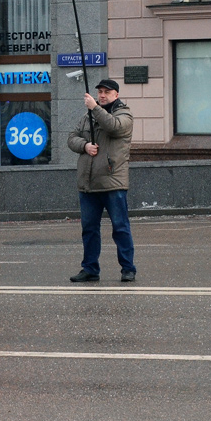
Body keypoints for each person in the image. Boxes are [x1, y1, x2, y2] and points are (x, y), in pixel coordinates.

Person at [66, 78, 137, 283]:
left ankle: (128, 268)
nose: (102, 95)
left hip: (113, 182)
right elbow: (71, 137)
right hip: (88, 183)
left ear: (116, 94)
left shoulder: (124, 114)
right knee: (89, 229)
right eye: (100, 92)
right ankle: (90, 268)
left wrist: (95, 108)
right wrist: (85, 145)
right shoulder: (88, 116)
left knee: (120, 227)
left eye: (107, 92)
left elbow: (113, 127)